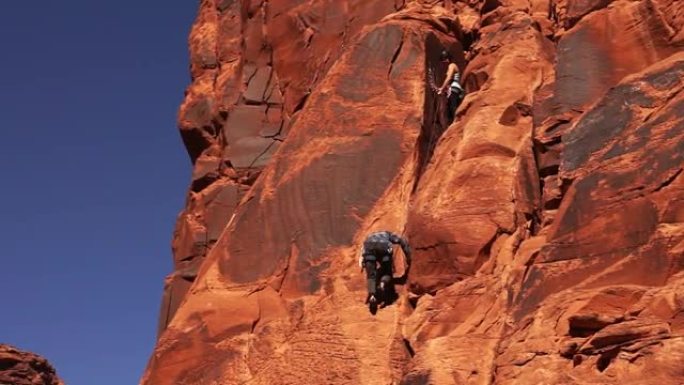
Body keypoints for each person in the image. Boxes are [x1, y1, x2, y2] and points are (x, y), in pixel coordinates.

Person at [358, 231, 411, 305]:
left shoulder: (368, 238)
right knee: (387, 271)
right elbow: (402, 240)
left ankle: (372, 295)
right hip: (384, 246)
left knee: (371, 275)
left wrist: (362, 264)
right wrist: (409, 257)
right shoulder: (388, 235)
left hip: (368, 247)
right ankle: (383, 284)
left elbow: (362, 253)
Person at [436, 50, 465, 122]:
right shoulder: (451, 66)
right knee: (450, 110)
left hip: (454, 88)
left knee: (453, 108)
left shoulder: (452, 65)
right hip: (453, 89)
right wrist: (443, 89)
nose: (443, 63)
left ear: (447, 59)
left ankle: (456, 123)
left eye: (443, 61)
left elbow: (448, 78)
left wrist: (442, 89)